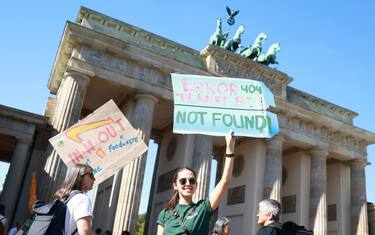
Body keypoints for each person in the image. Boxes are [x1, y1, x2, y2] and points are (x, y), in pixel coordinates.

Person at [157, 131, 236, 235]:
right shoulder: (164, 214)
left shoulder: (203, 209)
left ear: (196, 185)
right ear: (175, 185)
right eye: (182, 181)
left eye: (192, 180)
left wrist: (230, 148)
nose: (188, 183)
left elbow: (225, 181)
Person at [53, 163, 96, 235]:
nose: (94, 179)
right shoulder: (82, 198)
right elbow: (85, 231)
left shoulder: (61, 198)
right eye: (91, 176)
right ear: (80, 177)